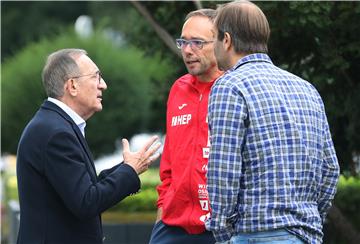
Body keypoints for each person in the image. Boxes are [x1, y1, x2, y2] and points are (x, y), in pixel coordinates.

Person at [206, 1, 340, 244]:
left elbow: (223, 171)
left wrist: (223, 232)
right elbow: (330, 170)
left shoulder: (229, 86)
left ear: (226, 40)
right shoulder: (307, 89)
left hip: (256, 234)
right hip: (307, 234)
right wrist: (310, 220)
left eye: (213, 37)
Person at [16, 48, 161, 244]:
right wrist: (129, 171)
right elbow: (86, 201)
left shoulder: (54, 124)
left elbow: (83, 188)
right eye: (96, 77)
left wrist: (128, 167)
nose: (104, 85)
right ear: (72, 86)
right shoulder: (56, 132)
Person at [149, 9, 223, 244]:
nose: (188, 50)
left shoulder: (233, 89)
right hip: (171, 226)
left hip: (219, 227)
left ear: (222, 43)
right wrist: (161, 217)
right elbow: (169, 165)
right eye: (183, 42)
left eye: (197, 42)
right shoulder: (178, 89)